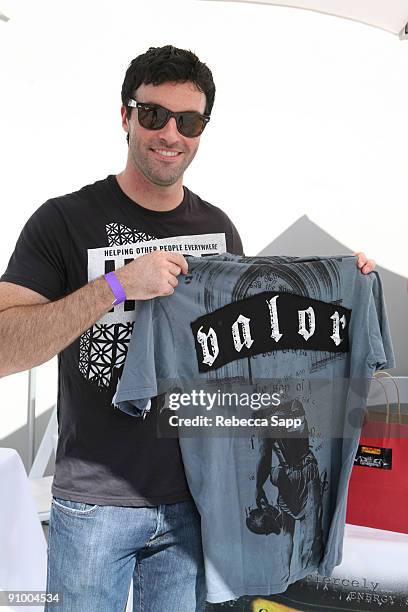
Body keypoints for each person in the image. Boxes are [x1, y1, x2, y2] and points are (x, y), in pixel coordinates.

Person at [0, 45, 377, 611]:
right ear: (125, 116)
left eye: (189, 120)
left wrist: (341, 287)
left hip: (198, 504)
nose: (169, 133)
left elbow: (252, 359)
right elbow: (6, 348)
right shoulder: (61, 220)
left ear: (203, 131)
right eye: (153, 114)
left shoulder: (218, 228)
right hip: (94, 503)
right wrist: (118, 286)